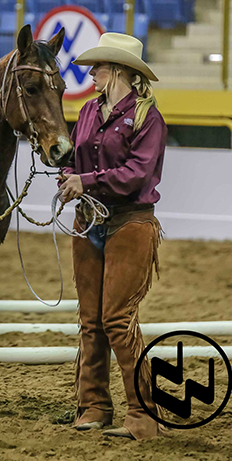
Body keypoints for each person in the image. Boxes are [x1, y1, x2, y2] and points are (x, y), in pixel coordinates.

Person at [58, 32, 167, 440]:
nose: (91, 72)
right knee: (91, 321)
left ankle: (143, 414)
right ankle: (94, 406)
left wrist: (84, 181)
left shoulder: (147, 117)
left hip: (130, 223)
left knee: (117, 320)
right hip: (90, 221)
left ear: (119, 70)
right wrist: (68, 174)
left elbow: (136, 174)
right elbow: (76, 157)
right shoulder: (88, 111)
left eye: (99, 66)